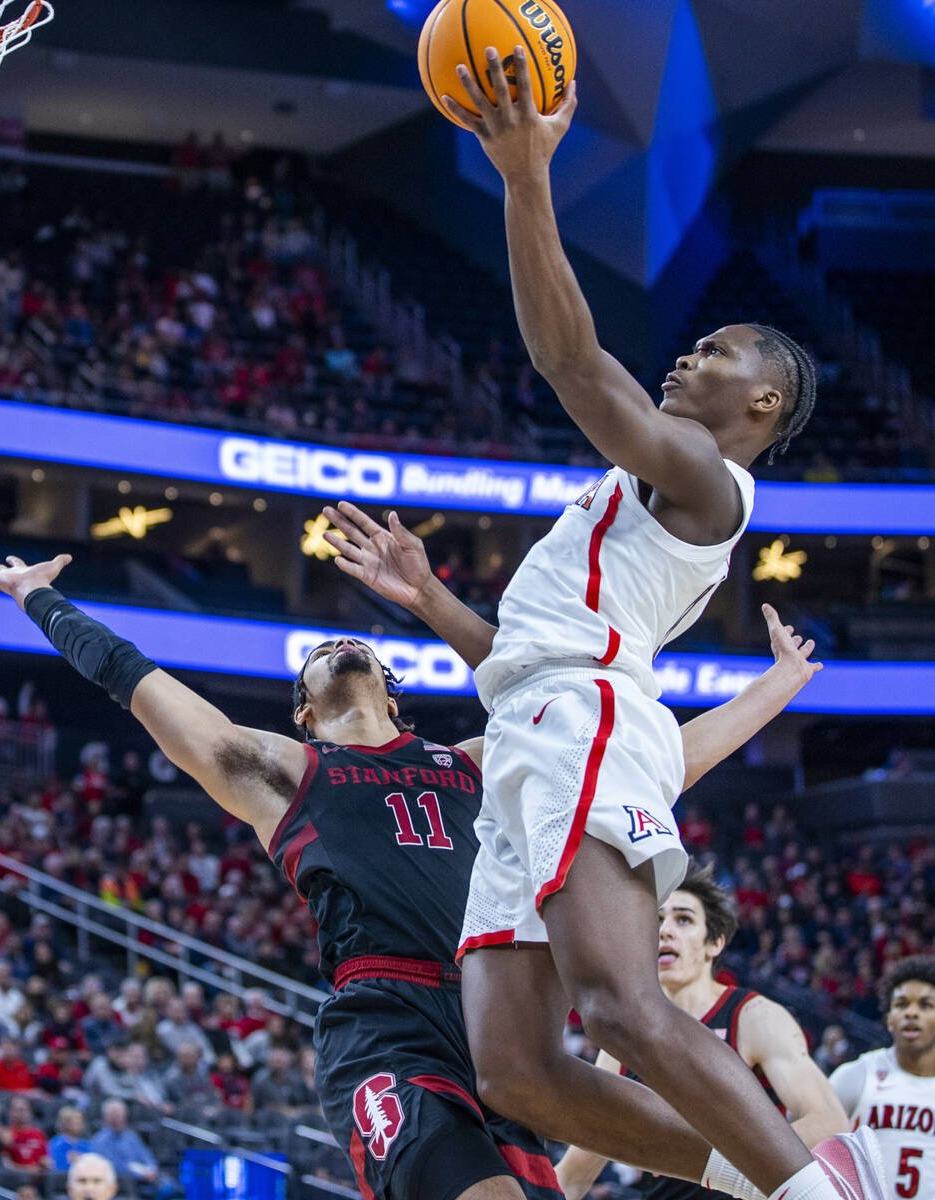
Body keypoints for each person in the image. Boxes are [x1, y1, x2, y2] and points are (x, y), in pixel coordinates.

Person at [320, 35, 878, 1200]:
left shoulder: (707, 480)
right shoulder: (640, 498)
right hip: (541, 711)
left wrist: (526, 174)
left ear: (760, 402)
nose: (687, 353)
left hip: (584, 720)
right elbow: (516, 664)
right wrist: (427, 598)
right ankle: (749, 1178)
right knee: (516, 1066)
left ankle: (819, 1192)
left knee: (623, 1006)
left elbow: (570, 363)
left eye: (712, 351)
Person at [0, 552, 821, 1200]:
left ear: (392, 692)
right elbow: (134, 681)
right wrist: (40, 598)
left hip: (502, 1016)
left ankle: (783, 1179)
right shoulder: (279, 770)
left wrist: (777, 687)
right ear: (302, 707)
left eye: (354, 644)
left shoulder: (476, 760)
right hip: (387, 1028)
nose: (338, 645)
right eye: (316, 658)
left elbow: (656, 762)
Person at [555, 864, 849, 1198]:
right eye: (657, 920)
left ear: (715, 944)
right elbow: (575, 1172)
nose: (665, 931)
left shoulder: (754, 1016)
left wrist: (708, 1164)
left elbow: (828, 1123)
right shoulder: (621, 1041)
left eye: (683, 920)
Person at [829, 957, 935, 1200]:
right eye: (901, 1004)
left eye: (925, 1005)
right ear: (889, 1019)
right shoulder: (857, 1075)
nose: (911, 1013)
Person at [48, 1107, 91, 1172]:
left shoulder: (87, 1144)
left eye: (80, 1121)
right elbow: (56, 1166)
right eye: (75, 1122)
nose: (79, 1124)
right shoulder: (57, 1143)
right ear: (65, 1123)